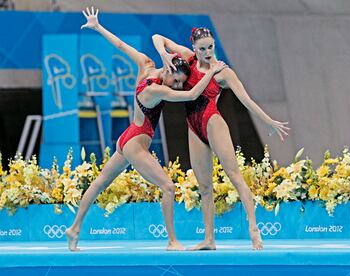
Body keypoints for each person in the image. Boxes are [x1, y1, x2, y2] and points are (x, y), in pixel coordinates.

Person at [65, 8, 228, 252]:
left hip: (127, 137)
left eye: (181, 83)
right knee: (168, 187)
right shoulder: (157, 90)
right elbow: (193, 94)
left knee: (99, 183)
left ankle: (74, 229)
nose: (179, 86)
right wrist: (213, 72)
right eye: (177, 81)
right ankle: (172, 241)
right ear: (170, 71)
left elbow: (122, 45)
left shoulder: (146, 64)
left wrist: (98, 27)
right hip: (135, 144)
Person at [152, 28, 290, 250]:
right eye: (203, 48)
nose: (207, 52)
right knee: (204, 187)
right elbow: (158, 37)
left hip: (213, 122)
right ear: (195, 48)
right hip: (192, 127)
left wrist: (269, 121)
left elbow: (247, 101)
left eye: (211, 47)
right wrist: (163, 55)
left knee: (235, 176)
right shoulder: (188, 58)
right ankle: (209, 239)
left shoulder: (224, 73)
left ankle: (254, 229)